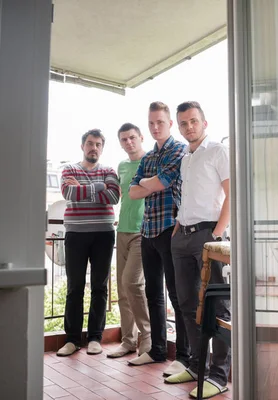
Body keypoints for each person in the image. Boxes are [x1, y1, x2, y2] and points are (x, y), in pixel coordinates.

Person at [165, 101, 231, 399]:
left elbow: (233, 194)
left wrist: (216, 235)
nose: (188, 126)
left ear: (204, 123)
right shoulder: (185, 159)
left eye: (193, 121)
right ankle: (195, 366)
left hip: (208, 234)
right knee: (186, 303)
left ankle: (218, 376)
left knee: (217, 306)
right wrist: (178, 227)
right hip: (182, 236)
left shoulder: (218, 150)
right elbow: (189, 198)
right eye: (183, 123)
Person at [127, 101, 190, 377]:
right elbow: (132, 192)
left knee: (177, 294)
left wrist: (147, 184)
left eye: (160, 123)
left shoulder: (179, 150)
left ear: (170, 124)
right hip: (148, 231)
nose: (155, 127)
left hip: (169, 229)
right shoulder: (148, 157)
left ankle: (185, 357)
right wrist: (147, 183)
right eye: (151, 123)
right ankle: (158, 350)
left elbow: (160, 184)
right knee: (153, 293)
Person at [56, 129, 121, 357]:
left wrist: (85, 189)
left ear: (102, 148)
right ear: (83, 146)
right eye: (90, 144)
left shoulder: (109, 170)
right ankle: (72, 340)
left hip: (103, 234)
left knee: (100, 287)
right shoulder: (69, 169)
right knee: (75, 288)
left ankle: (95, 338)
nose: (94, 148)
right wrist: (99, 187)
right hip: (76, 233)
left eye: (98, 145)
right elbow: (68, 193)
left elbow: (114, 197)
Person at [107, 123, 152, 358]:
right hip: (121, 231)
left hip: (142, 232)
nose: (129, 142)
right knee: (123, 289)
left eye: (132, 138)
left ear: (141, 137)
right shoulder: (122, 166)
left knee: (132, 283)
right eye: (124, 139)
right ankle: (128, 341)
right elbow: (122, 195)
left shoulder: (151, 161)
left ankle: (147, 338)